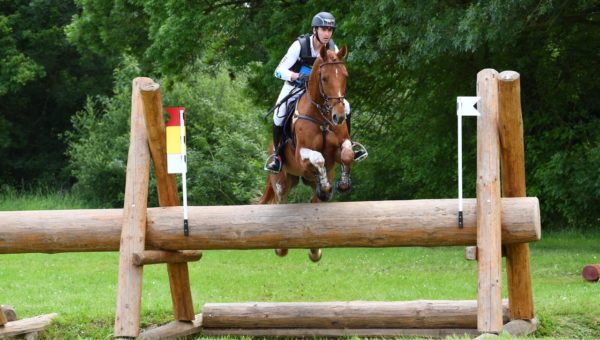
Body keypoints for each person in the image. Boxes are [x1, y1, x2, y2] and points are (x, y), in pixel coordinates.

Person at [264, 11, 367, 173]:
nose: (327, 33)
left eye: (330, 30)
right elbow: (278, 71)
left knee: (345, 106)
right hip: (295, 86)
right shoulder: (300, 45)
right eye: (323, 29)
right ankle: (277, 155)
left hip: (320, 91)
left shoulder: (333, 47)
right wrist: (296, 76)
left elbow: (336, 71)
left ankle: (349, 142)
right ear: (315, 30)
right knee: (279, 112)